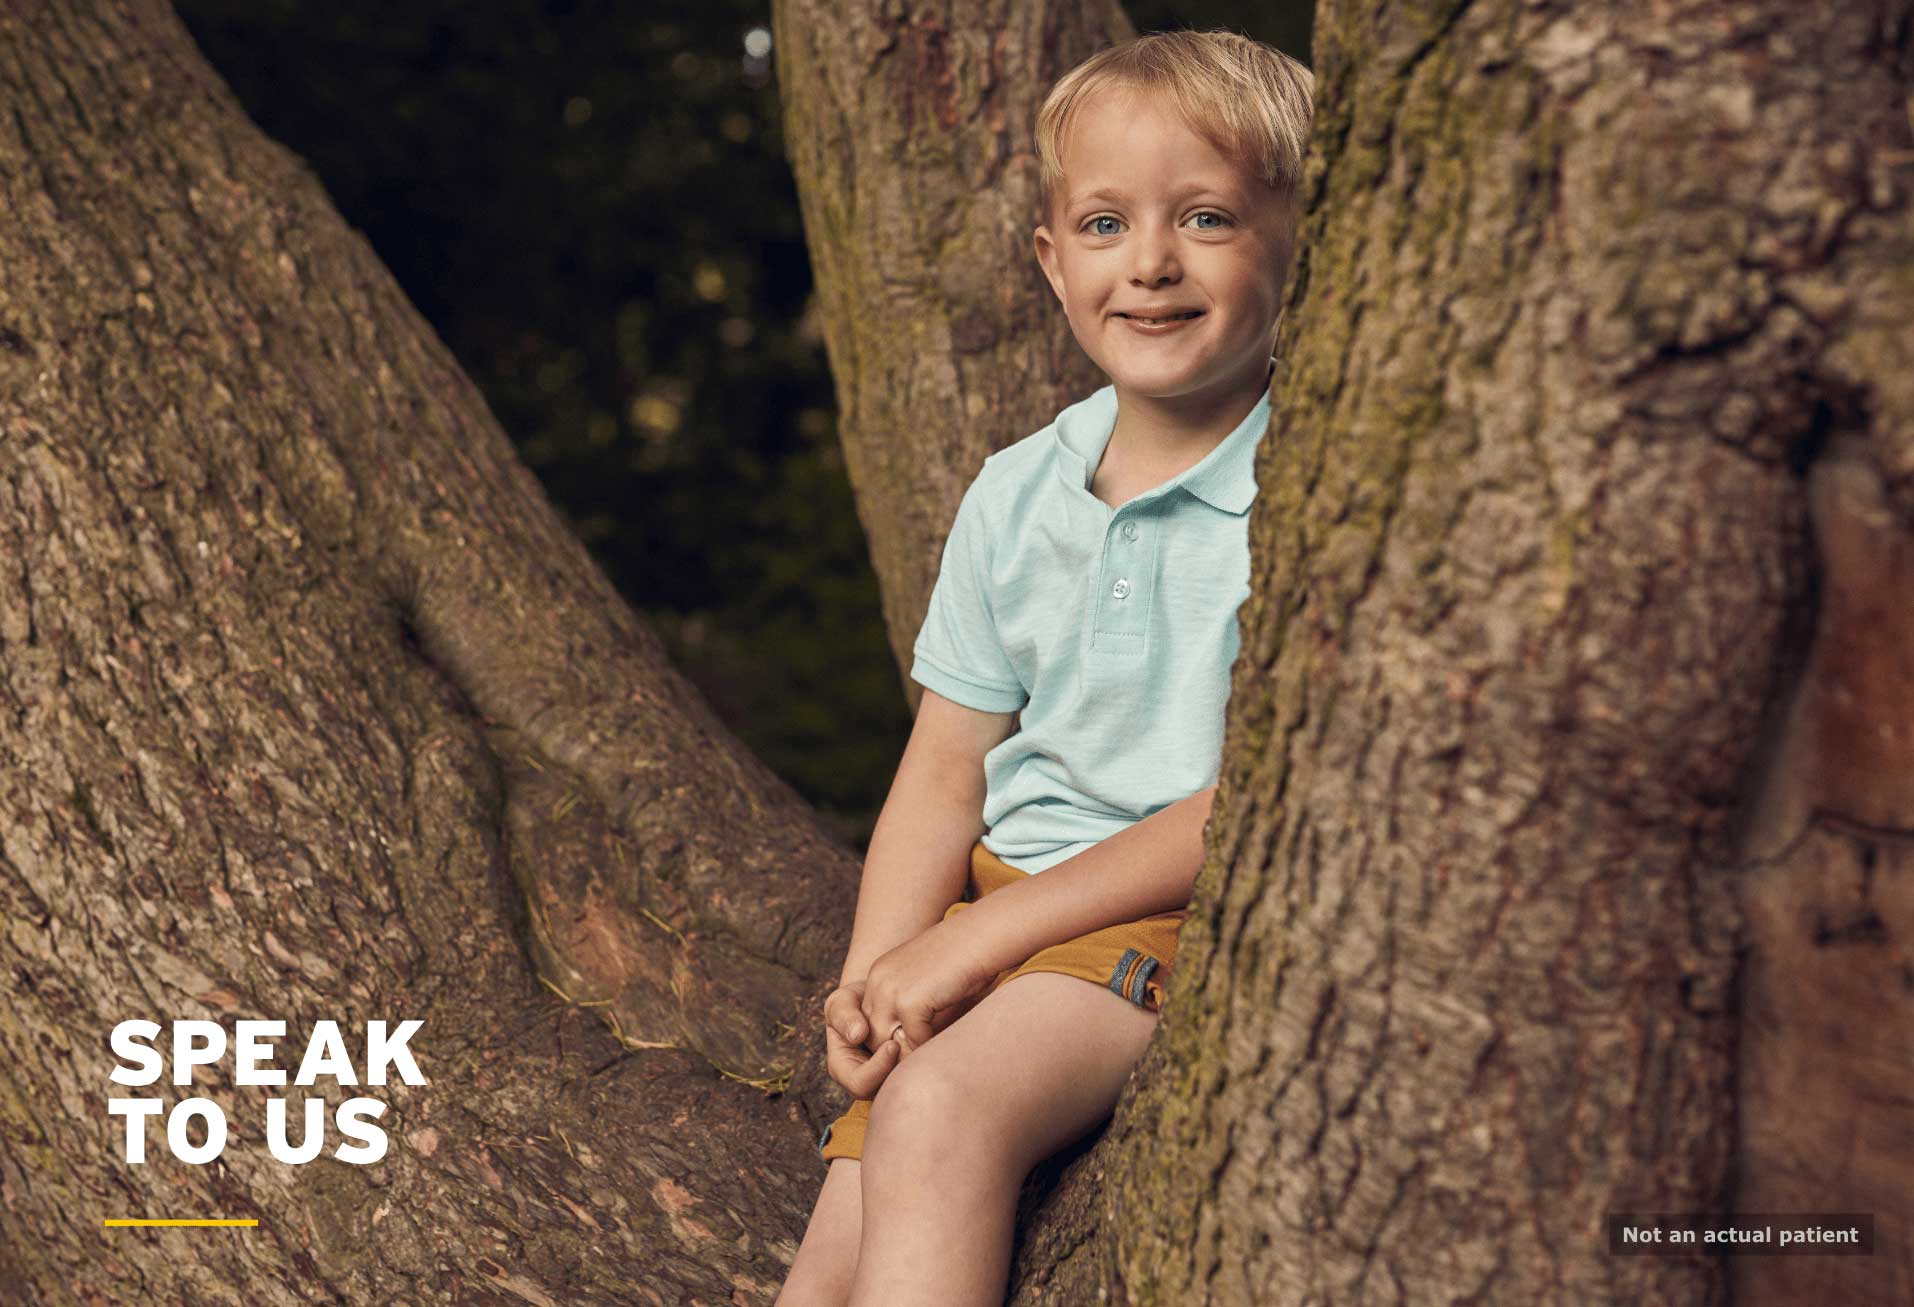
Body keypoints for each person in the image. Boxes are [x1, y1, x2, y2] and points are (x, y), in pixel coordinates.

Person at [775, 29, 1314, 1307]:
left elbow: (1256, 799)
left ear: (1302, 240)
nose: (1153, 263)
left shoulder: (1310, 488)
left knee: (947, 1107)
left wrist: (981, 945)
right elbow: (945, 767)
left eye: (1206, 216)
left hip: (1160, 917)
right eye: (1107, 221)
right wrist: (878, 975)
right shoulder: (1017, 493)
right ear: (1052, 259)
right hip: (990, 917)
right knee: (824, 1271)